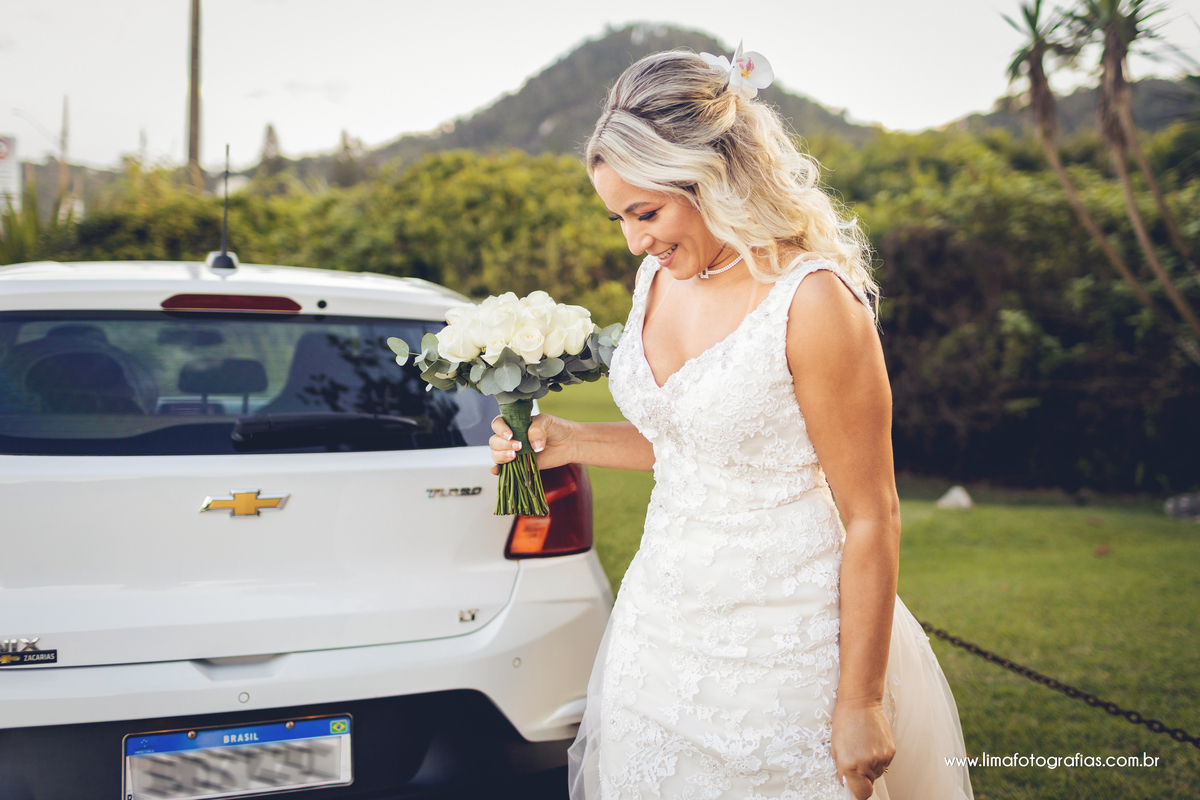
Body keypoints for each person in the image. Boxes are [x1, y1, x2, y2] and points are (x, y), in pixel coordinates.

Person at [489, 47, 974, 800]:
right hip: (659, 630)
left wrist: (862, 701)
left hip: (787, 646)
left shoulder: (814, 302)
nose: (633, 241)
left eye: (645, 213)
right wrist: (570, 441)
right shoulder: (659, 276)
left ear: (712, 176)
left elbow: (873, 515)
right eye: (618, 217)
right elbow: (693, 444)